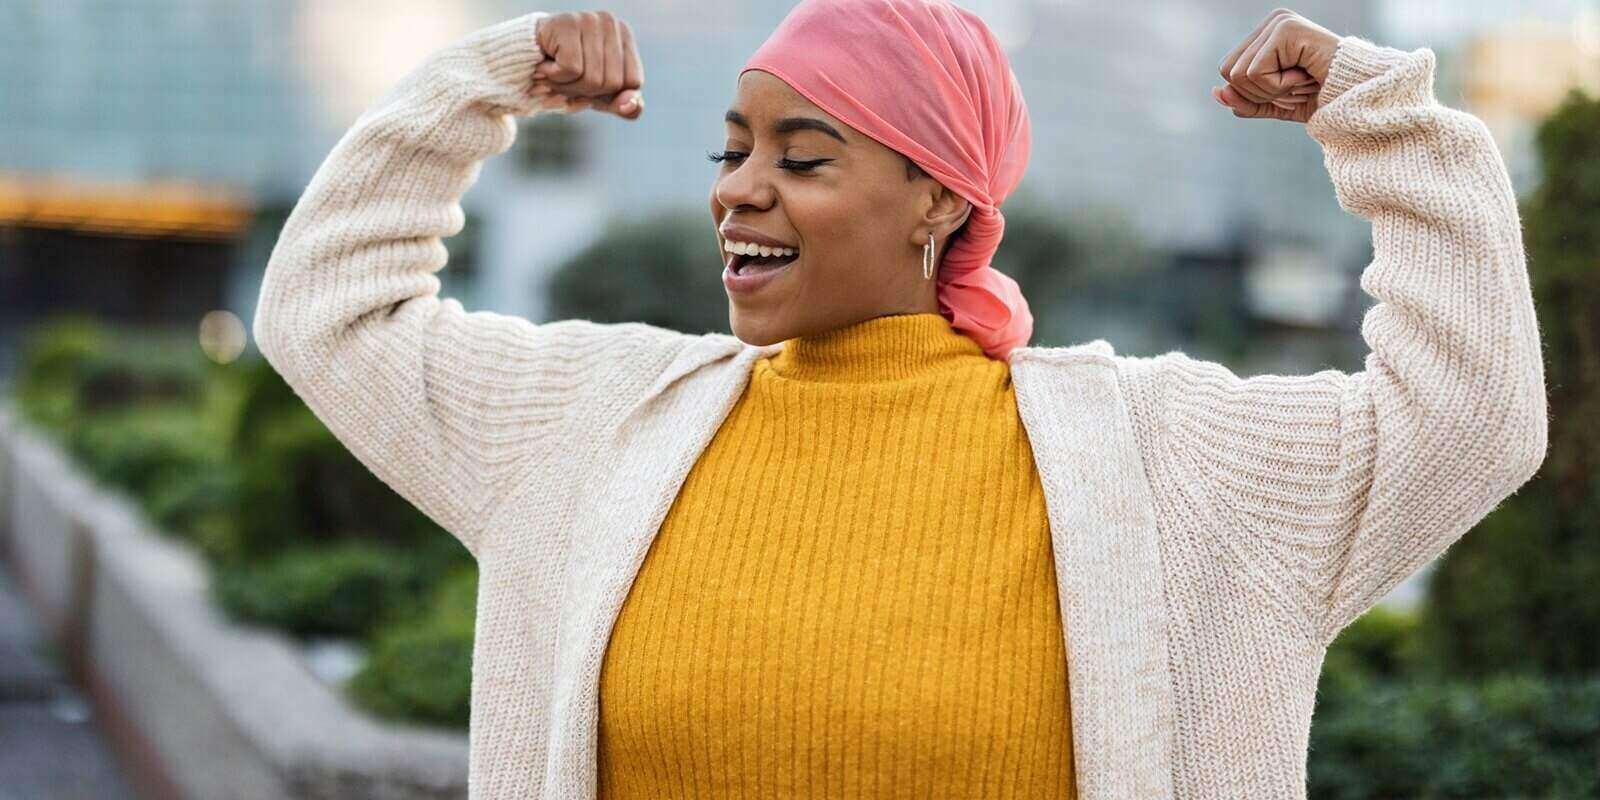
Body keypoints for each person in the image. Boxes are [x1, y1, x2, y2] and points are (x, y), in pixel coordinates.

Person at [251, 3, 1548, 798]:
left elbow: (1466, 412)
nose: (738, 188)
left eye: (803, 155)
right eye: (733, 148)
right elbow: (332, 309)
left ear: (940, 199)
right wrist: (484, 84)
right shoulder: (597, 423)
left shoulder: (1164, 463)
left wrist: (1390, 123)